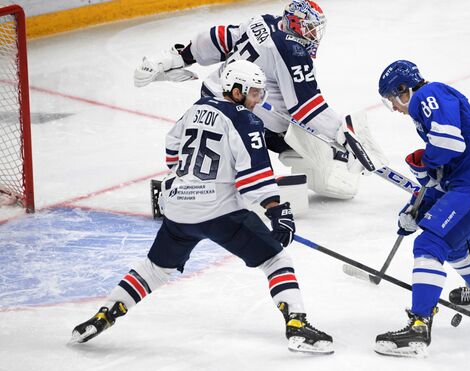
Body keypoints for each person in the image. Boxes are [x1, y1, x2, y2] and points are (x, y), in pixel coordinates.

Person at [72, 60, 333, 355]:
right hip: (221, 213)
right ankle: (297, 326)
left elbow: (172, 146)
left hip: (178, 210)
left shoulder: (196, 108)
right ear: (236, 91)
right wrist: (277, 211)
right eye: (255, 93)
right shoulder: (245, 120)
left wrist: (186, 180)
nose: (259, 100)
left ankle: (104, 315)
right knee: (276, 261)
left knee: (155, 269)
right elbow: (255, 177)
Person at [133, 0, 369, 200]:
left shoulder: (264, 21)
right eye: (309, 29)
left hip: (215, 94)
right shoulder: (293, 51)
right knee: (268, 166)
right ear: (296, 24)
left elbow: (222, 39)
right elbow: (308, 109)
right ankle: (190, 188)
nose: (314, 35)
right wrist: (343, 134)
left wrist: (180, 57)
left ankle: (185, 180)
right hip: (247, 115)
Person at [374, 60, 470, 357]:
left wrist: (425, 165)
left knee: (430, 242)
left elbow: (449, 145)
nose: (396, 109)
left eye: (393, 99)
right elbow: (444, 176)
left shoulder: (429, 95)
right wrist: (416, 207)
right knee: (451, 244)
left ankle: (418, 327)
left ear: (404, 90)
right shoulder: (432, 105)